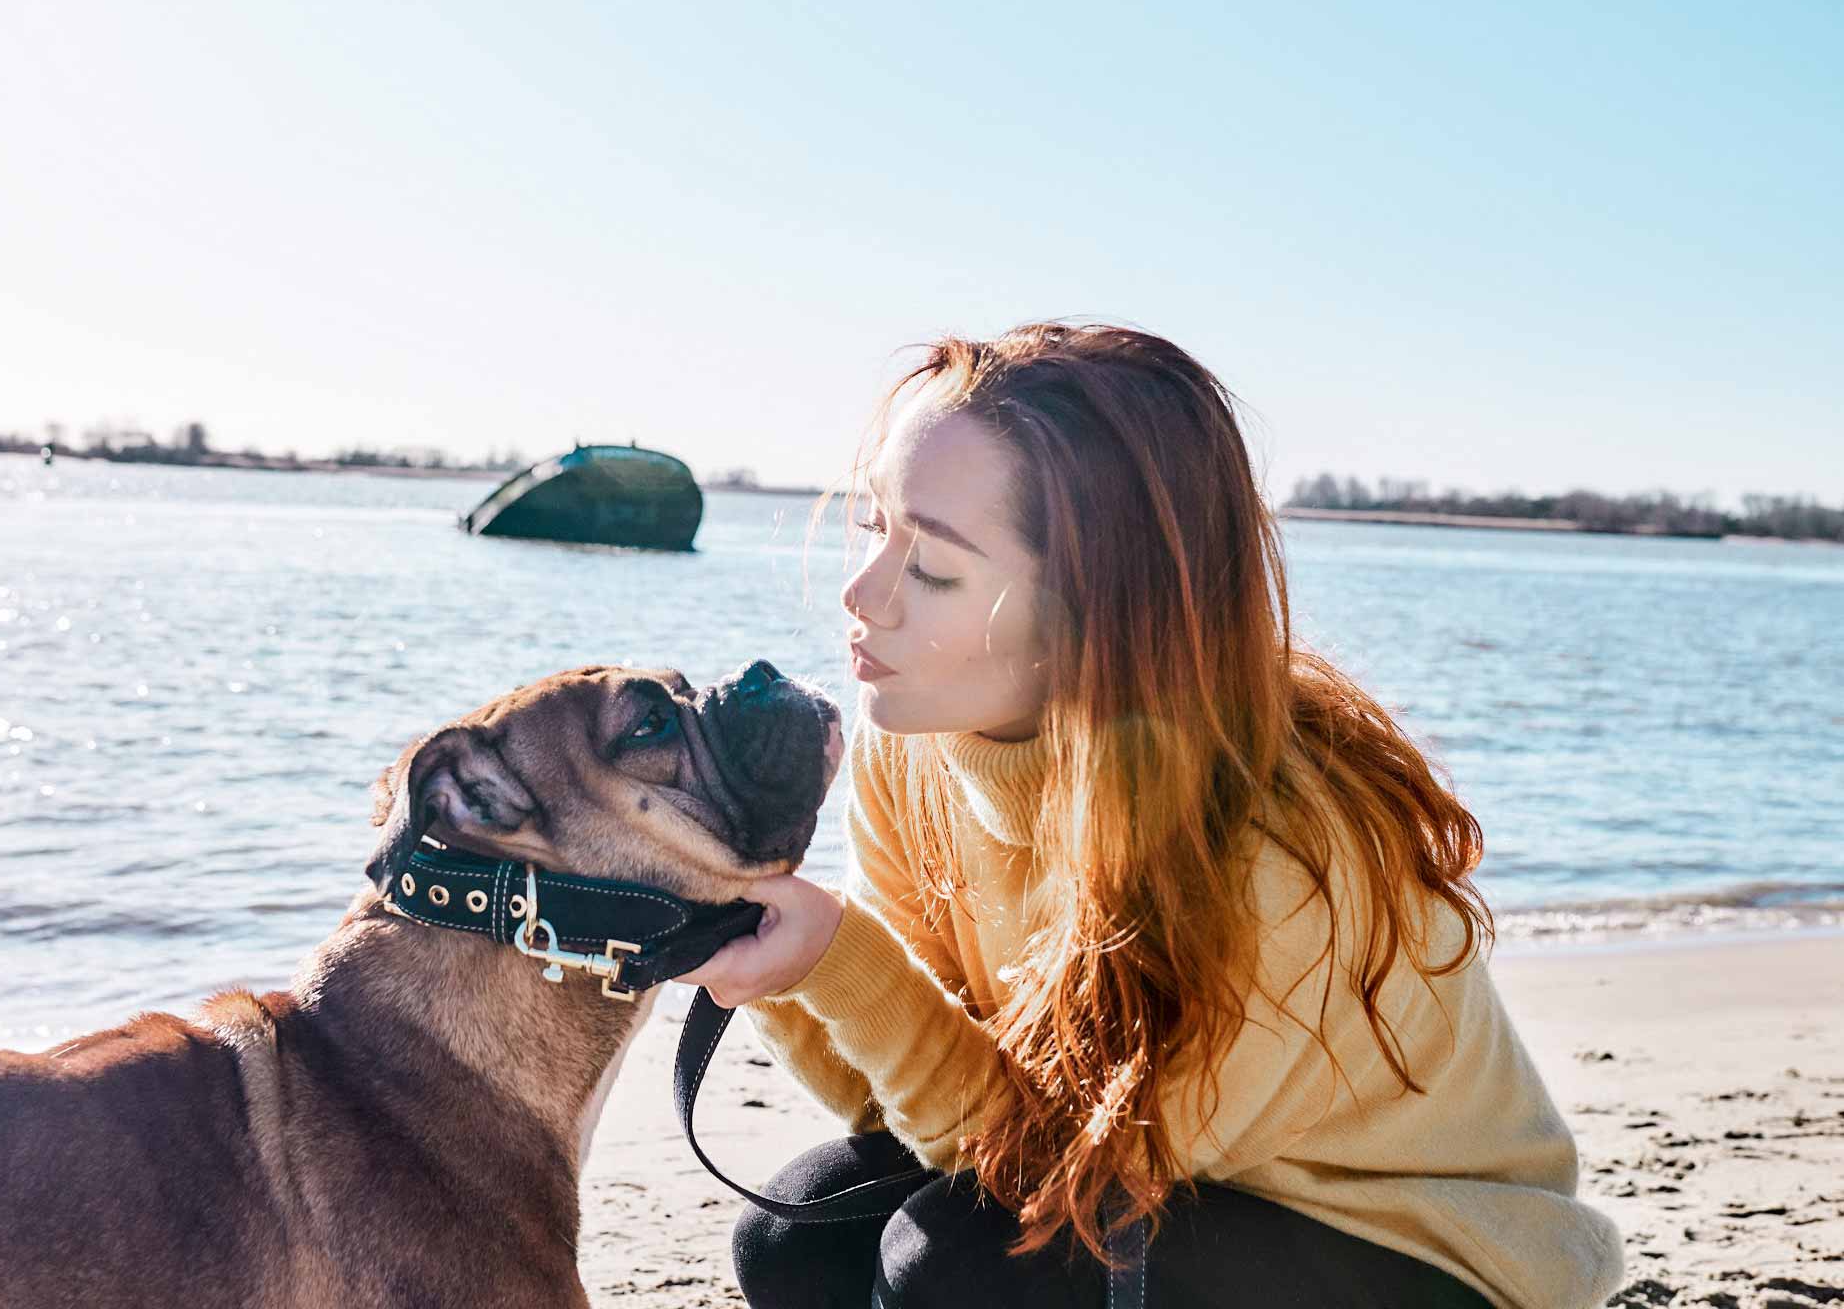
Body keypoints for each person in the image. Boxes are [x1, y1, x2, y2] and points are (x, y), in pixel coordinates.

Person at [676, 323, 1625, 1309]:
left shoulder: (1280, 842)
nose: (861, 591)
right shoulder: (912, 741)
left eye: (933, 569)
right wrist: (757, 944)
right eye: (874, 525)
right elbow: (900, 1102)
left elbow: (1054, 1180)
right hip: (1164, 1187)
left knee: (954, 1267)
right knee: (796, 1228)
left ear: (1090, 611)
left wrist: (838, 955)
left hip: (1414, 1242)